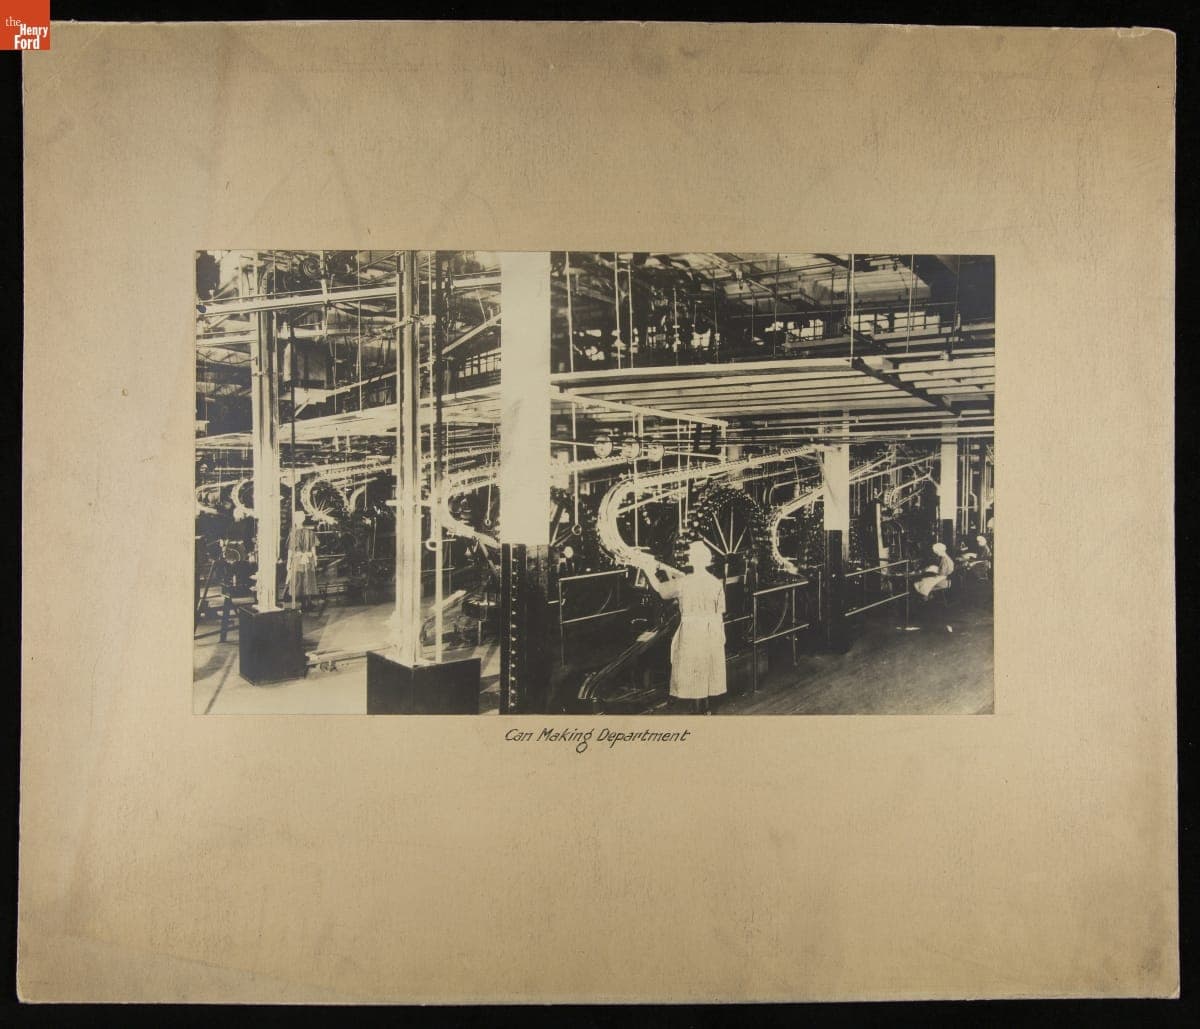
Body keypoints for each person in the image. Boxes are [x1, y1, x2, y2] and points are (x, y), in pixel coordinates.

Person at [639, 540, 727, 714]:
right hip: (712, 628)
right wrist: (721, 636)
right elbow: (720, 611)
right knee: (707, 667)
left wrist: (648, 571)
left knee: (693, 669)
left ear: (691, 560)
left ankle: (697, 710)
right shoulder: (716, 582)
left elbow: (662, 591)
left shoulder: (684, 582)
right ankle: (706, 709)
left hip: (692, 630)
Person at [286, 513, 320, 612]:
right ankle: (304, 603)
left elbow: (313, 547)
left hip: (304, 559)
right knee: (301, 580)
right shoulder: (294, 533)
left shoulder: (308, 533)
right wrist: (288, 562)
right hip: (301, 559)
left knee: (305, 580)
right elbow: (290, 550)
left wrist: (315, 558)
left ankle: (306, 603)